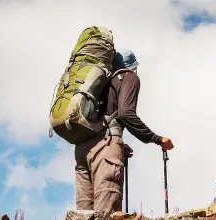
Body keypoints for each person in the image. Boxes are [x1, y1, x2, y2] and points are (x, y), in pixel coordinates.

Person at [74, 49, 175, 213]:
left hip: (82, 150)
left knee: (84, 214)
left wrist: (119, 144)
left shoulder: (101, 84)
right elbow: (125, 113)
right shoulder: (129, 77)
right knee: (106, 214)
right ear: (132, 67)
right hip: (105, 149)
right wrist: (157, 139)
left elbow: (103, 118)